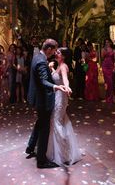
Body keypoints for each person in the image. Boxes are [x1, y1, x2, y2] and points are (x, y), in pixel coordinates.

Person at [26, 39, 68, 169]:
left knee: (40, 122)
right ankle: (42, 161)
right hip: (42, 100)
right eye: (54, 50)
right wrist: (57, 87)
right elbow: (44, 81)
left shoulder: (37, 56)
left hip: (38, 97)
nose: (55, 53)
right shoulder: (41, 61)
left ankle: (31, 146)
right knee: (44, 128)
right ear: (48, 49)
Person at [46, 47, 82, 166]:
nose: (56, 52)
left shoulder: (63, 66)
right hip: (57, 96)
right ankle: (63, 150)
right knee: (59, 121)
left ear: (64, 56)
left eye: (59, 52)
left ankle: (64, 152)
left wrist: (67, 87)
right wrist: (51, 68)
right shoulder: (58, 66)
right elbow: (57, 79)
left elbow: (65, 80)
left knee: (56, 121)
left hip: (61, 97)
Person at [101, 39, 115, 103]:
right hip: (105, 66)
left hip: (111, 66)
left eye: (108, 42)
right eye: (105, 42)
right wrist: (105, 50)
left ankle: (112, 97)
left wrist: (114, 68)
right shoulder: (103, 49)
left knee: (111, 82)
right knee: (106, 82)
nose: (107, 43)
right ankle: (107, 97)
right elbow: (102, 57)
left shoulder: (113, 50)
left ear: (110, 42)